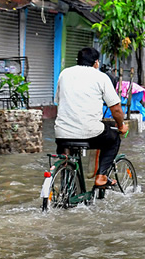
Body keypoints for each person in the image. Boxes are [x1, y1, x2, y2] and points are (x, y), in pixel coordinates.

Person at [54, 47, 128, 188]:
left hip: (62, 133)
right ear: (96, 63)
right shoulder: (100, 77)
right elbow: (116, 109)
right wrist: (121, 126)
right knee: (113, 138)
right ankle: (101, 177)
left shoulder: (64, 74)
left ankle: (66, 187)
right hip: (90, 133)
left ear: (78, 61)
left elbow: (58, 100)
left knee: (66, 157)